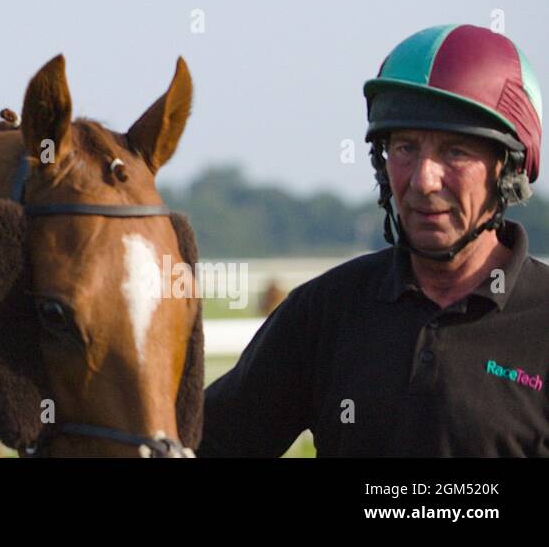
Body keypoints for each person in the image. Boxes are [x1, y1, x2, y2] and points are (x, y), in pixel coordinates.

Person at [200, 24, 547, 456]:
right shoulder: (324, 312)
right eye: (405, 148)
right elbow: (208, 445)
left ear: (509, 170)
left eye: (455, 151)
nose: (423, 180)